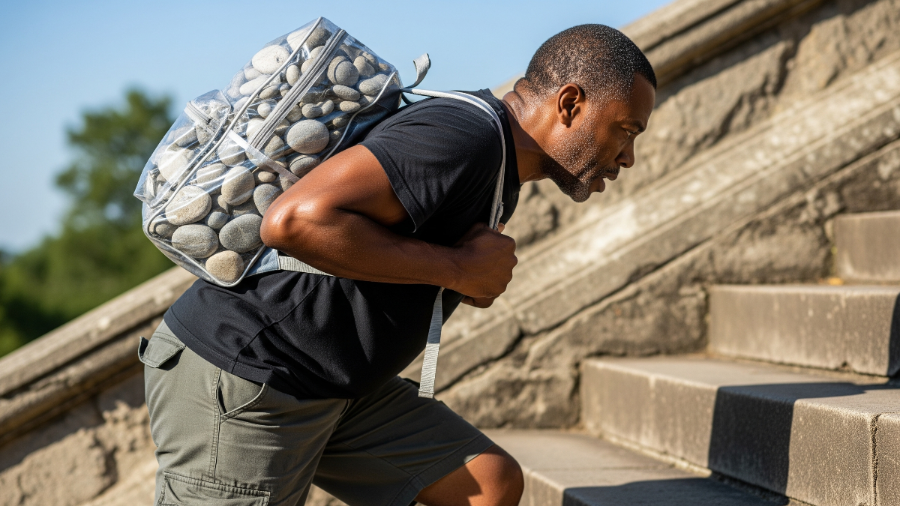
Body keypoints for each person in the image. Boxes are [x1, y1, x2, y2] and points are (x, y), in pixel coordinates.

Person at [140, 23, 656, 506]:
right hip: (252, 375)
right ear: (570, 103)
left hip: (336, 385)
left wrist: (458, 273)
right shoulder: (463, 138)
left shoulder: (499, 166)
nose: (627, 156)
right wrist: (457, 269)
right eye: (626, 130)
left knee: (487, 485)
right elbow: (295, 222)